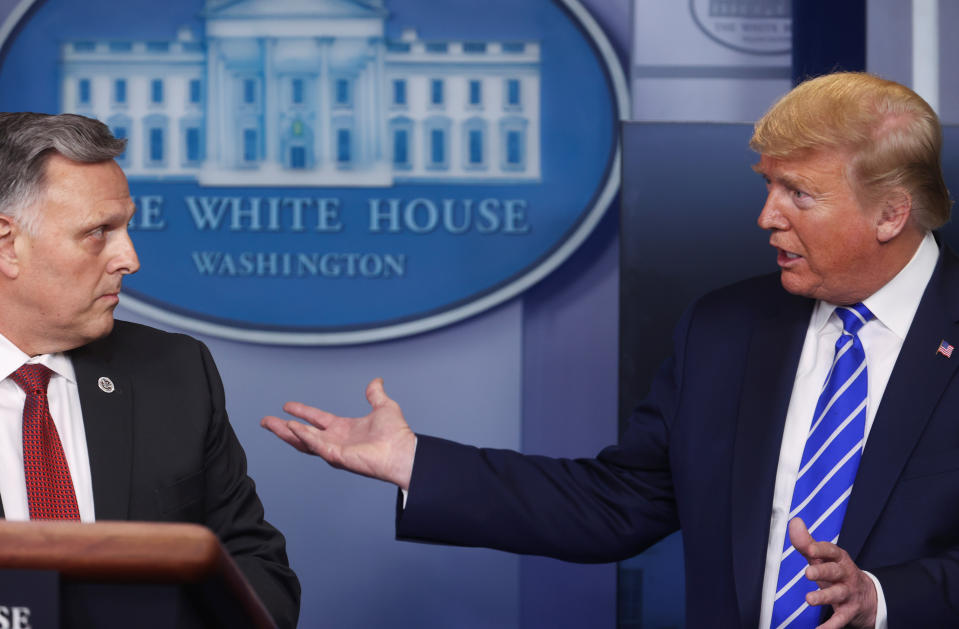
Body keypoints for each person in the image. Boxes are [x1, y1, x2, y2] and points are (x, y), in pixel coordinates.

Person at [262, 72, 959, 629]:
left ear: (890, 212)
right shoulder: (726, 328)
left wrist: (880, 597)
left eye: (797, 194)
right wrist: (413, 461)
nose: (765, 215)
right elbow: (615, 502)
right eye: (766, 185)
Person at [0, 112, 300, 628]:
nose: (130, 259)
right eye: (99, 233)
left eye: (126, 227)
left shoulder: (176, 373)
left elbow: (259, 572)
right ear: (7, 243)